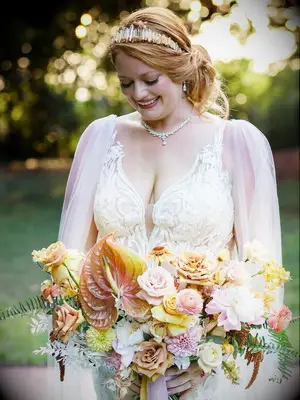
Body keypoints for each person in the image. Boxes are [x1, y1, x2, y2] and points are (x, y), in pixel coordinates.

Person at [57, 6, 284, 400]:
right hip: (114, 365)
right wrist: (101, 341)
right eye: (126, 83)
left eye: (149, 79)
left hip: (197, 369)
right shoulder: (100, 138)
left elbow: (259, 273)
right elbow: (73, 258)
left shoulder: (236, 142)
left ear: (179, 72)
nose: (138, 94)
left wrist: (213, 354)